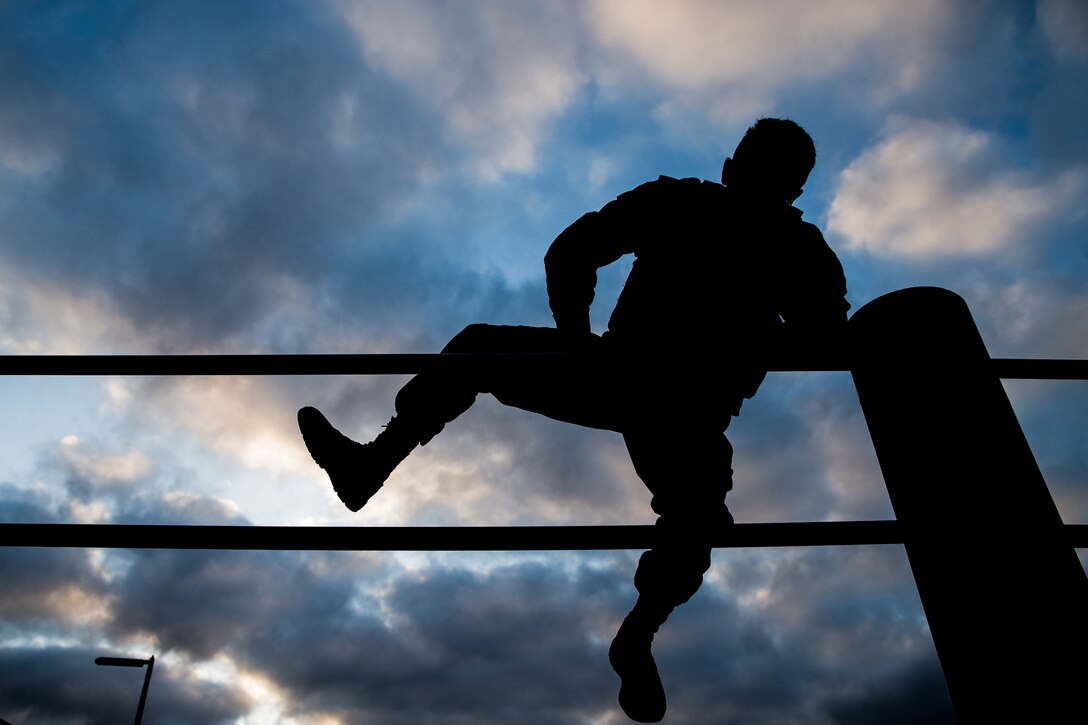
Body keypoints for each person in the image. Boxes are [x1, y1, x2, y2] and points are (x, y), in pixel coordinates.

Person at [298, 118, 849, 723]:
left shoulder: (768, 238)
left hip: (672, 404)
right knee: (484, 350)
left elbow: (825, 336)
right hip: (640, 384)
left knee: (696, 512)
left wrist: (580, 340)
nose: (752, 180)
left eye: (763, 170)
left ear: (744, 171)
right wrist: (576, 340)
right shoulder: (737, 225)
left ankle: (635, 637)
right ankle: (371, 465)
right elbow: (574, 251)